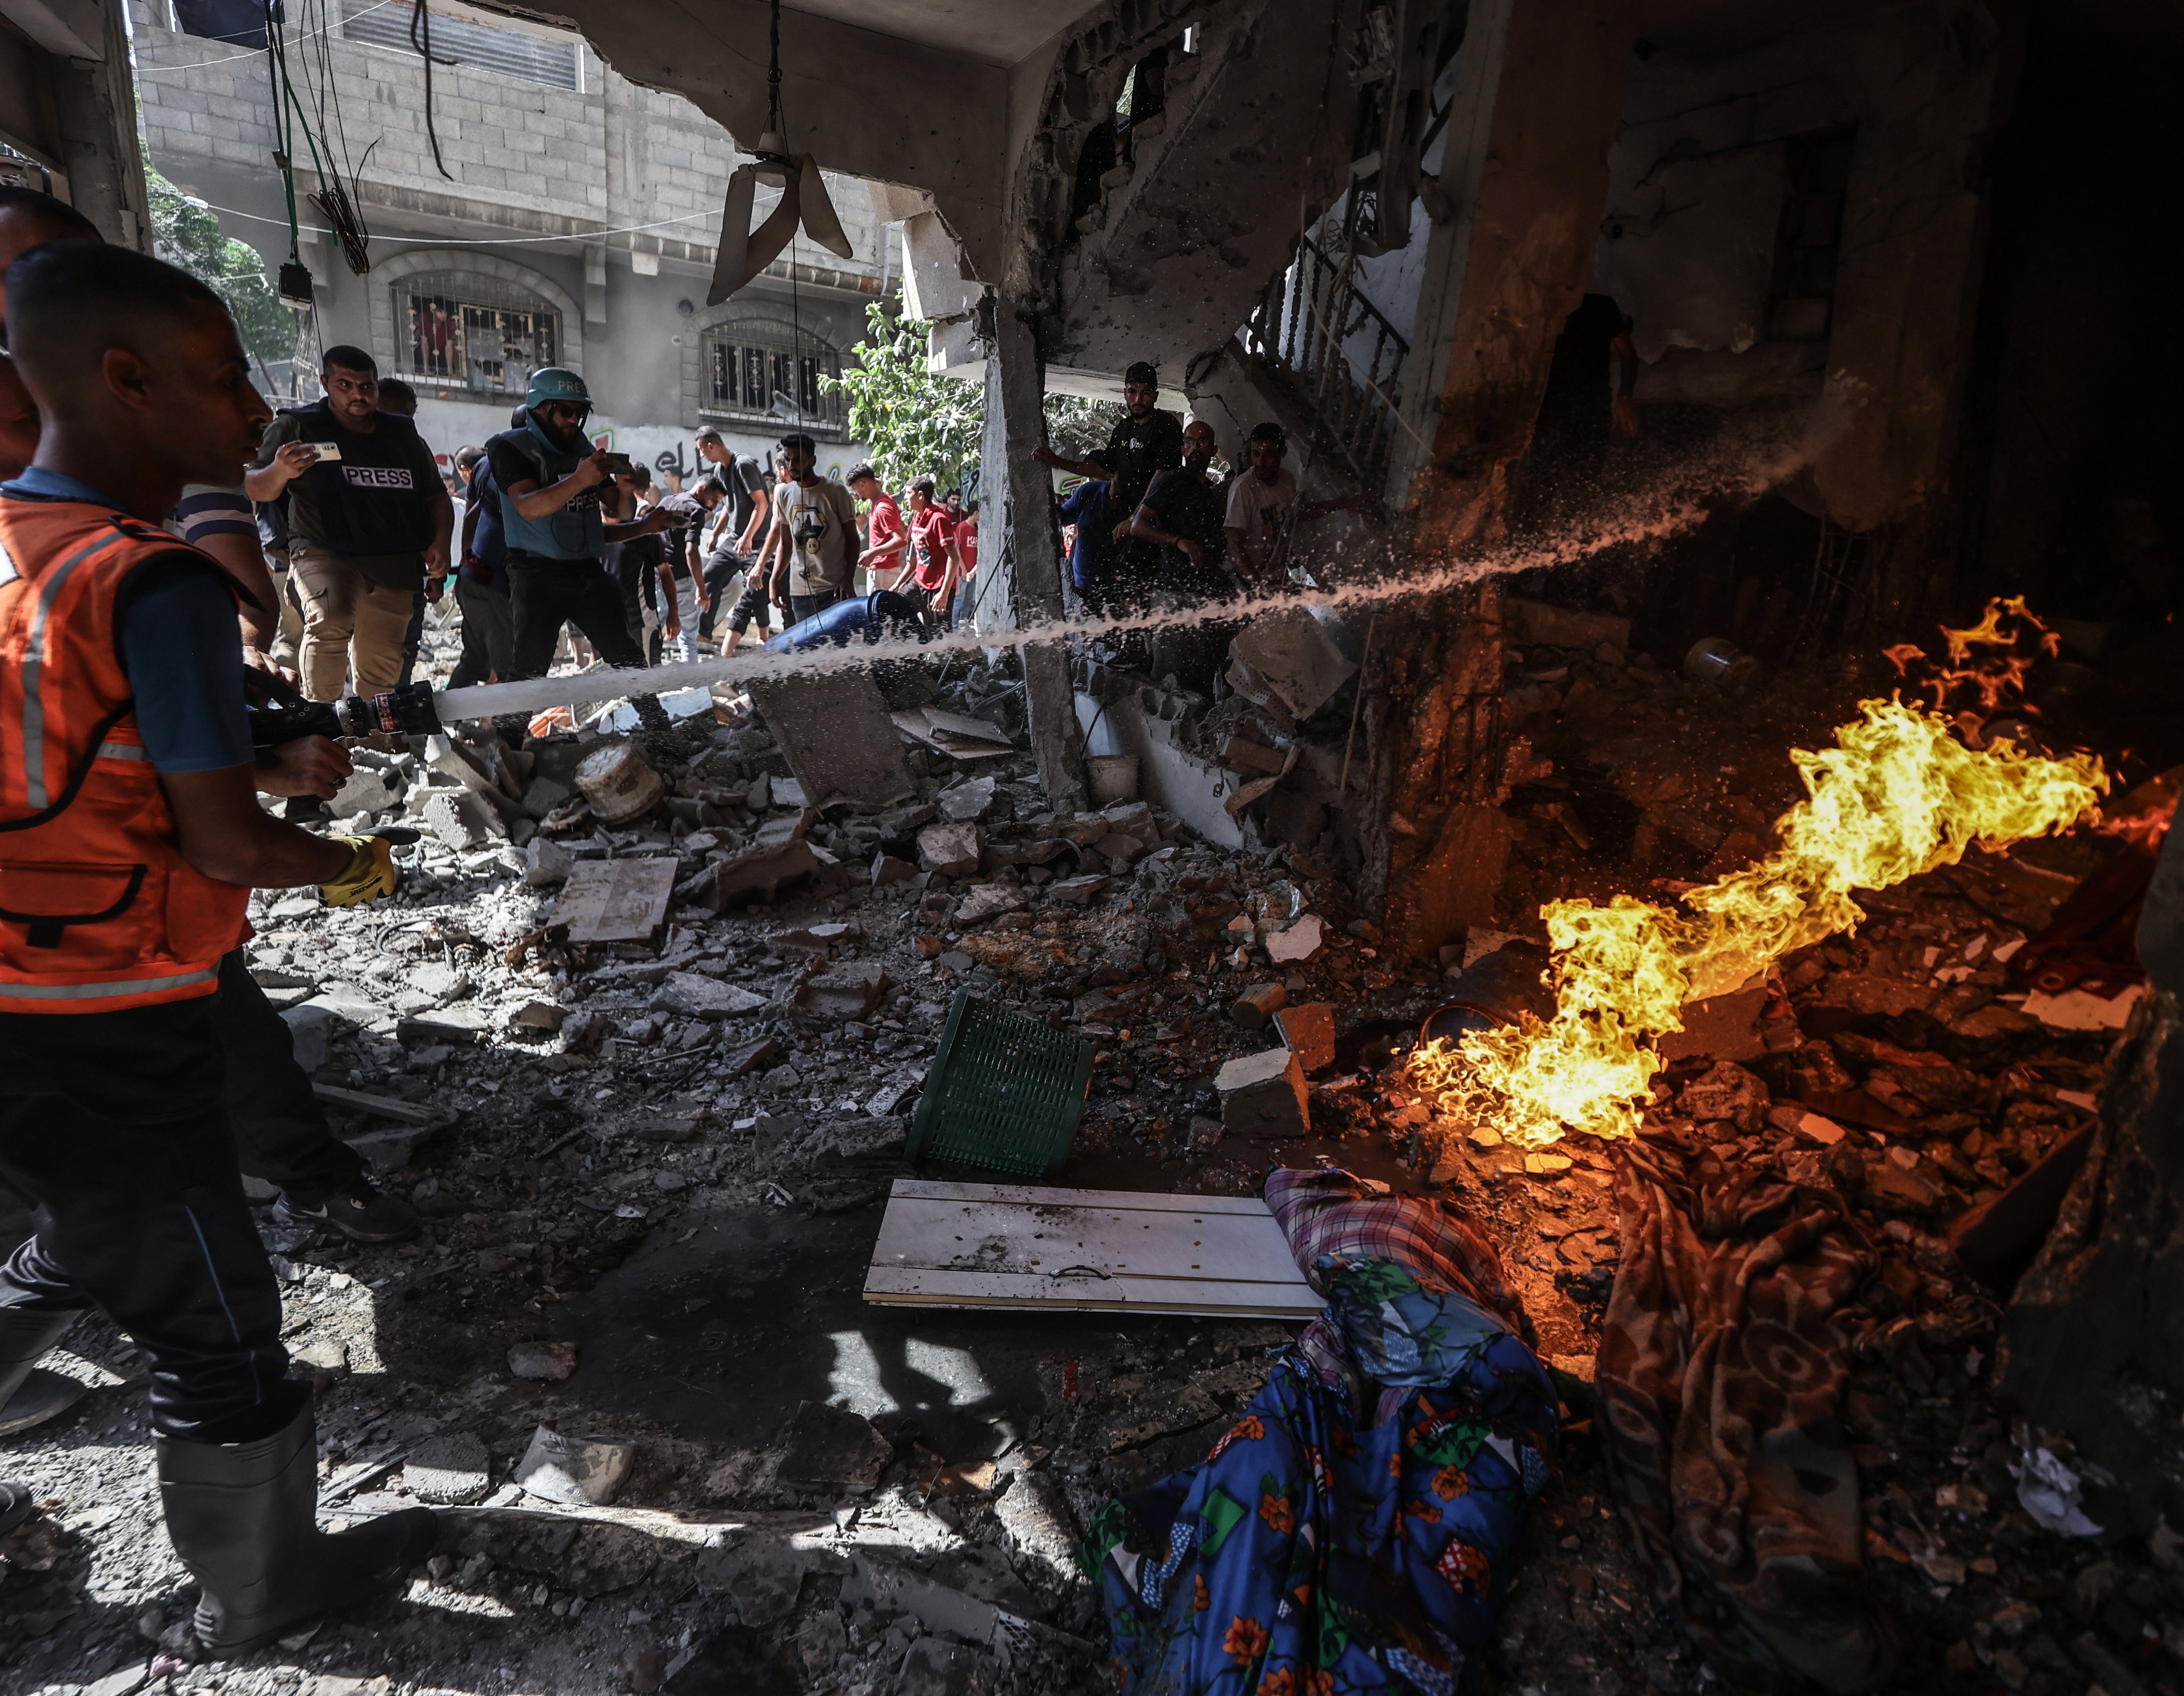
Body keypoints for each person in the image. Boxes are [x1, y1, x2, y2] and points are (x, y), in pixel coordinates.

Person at [0, 238, 430, 1647]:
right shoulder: (158, 579)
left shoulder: (22, 548)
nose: (256, 406)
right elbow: (226, 849)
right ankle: (262, 1592)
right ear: (123, 378)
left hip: (17, 988)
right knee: (215, 1320)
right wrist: (350, 863)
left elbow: (67, 741)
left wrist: (254, 746)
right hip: (108, 1008)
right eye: (220, 372)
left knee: (72, 1231)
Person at [246, 348, 452, 702]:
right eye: (345, 385)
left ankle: (373, 741)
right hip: (325, 551)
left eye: (367, 386)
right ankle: (321, 725)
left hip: (395, 559)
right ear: (325, 384)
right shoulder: (297, 426)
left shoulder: (403, 435)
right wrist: (279, 471)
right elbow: (252, 487)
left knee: (383, 659)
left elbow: (435, 496)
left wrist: (441, 542)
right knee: (331, 619)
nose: (358, 394)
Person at [483, 369, 673, 686]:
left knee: (627, 655)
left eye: (580, 412)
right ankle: (508, 736)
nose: (574, 420)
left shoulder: (582, 448)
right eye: (565, 411)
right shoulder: (509, 448)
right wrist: (582, 479)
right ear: (540, 408)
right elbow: (528, 507)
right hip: (537, 574)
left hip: (587, 571)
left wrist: (626, 491)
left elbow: (620, 511)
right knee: (529, 669)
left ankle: (658, 730)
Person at [1035, 359, 1184, 525]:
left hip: (1157, 520)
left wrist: (1136, 519)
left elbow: (1161, 478)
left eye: (1146, 393)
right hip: (1124, 519)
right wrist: (1056, 460)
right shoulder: (1123, 428)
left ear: (1155, 395)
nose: (1138, 399)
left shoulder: (1166, 425)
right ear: (1125, 392)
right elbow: (1100, 467)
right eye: (1132, 392)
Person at [764, 431, 858, 629]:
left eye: (798, 460)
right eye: (789, 460)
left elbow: (853, 539)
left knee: (838, 653)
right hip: (800, 595)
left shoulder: (835, 491)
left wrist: (848, 578)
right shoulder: (785, 495)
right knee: (808, 654)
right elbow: (786, 543)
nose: (792, 465)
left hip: (834, 589)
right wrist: (775, 579)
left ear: (813, 460)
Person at [450, 444, 513, 687]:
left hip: (476, 575)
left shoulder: (486, 472)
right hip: (490, 579)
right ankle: (510, 725)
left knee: (476, 661)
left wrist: (468, 559)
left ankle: (449, 718)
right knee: (509, 667)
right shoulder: (493, 469)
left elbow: (471, 517)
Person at [699, 449, 771, 643]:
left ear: (711, 446)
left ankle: (764, 634)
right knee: (710, 576)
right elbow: (729, 507)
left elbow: (762, 504)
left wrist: (748, 537)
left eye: (701, 449)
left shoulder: (743, 465)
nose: (701, 455)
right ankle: (704, 634)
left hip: (756, 542)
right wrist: (715, 535)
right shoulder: (719, 471)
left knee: (756, 585)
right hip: (734, 540)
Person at [1061, 454, 1129, 615]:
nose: (1118, 493)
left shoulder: (1136, 504)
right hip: (1084, 585)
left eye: (1125, 488)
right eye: (1117, 485)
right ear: (1112, 479)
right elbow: (1063, 518)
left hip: (1118, 586)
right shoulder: (1089, 492)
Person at [903, 475, 957, 628]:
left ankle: (966, 651)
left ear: (920, 495)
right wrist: (897, 585)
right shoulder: (917, 517)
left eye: (908, 493)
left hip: (938, 587)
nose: (905, 497)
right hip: (919, 581)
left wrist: (944, 593)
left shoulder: (939, 519)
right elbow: (913, 558)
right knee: (894, 603)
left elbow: (954, 558)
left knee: (940, 638)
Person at [848, 463, 905, 591]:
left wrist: (873, 553)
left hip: (882, 571)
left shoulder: (882, 507)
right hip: (883, 570)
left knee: (877, 611)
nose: (856, 493)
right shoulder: (884, 502)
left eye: (855, 488)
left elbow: (901, 540)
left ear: (863, 485)